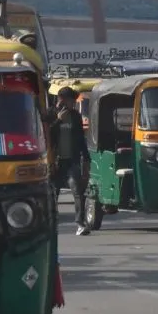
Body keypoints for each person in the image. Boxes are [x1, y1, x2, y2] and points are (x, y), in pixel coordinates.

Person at [49, 87, 91, 236]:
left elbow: (80, 139)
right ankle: (51, 223)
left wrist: (86, 158)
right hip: (55, 161)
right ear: (62, 100)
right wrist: (58, 120)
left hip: (72, 160)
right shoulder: (51, 114)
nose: (73, 104)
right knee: (53, 193)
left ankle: (80, 223)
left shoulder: (75, 116)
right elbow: (46, 134)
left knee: (77, 191)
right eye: (71, 101)